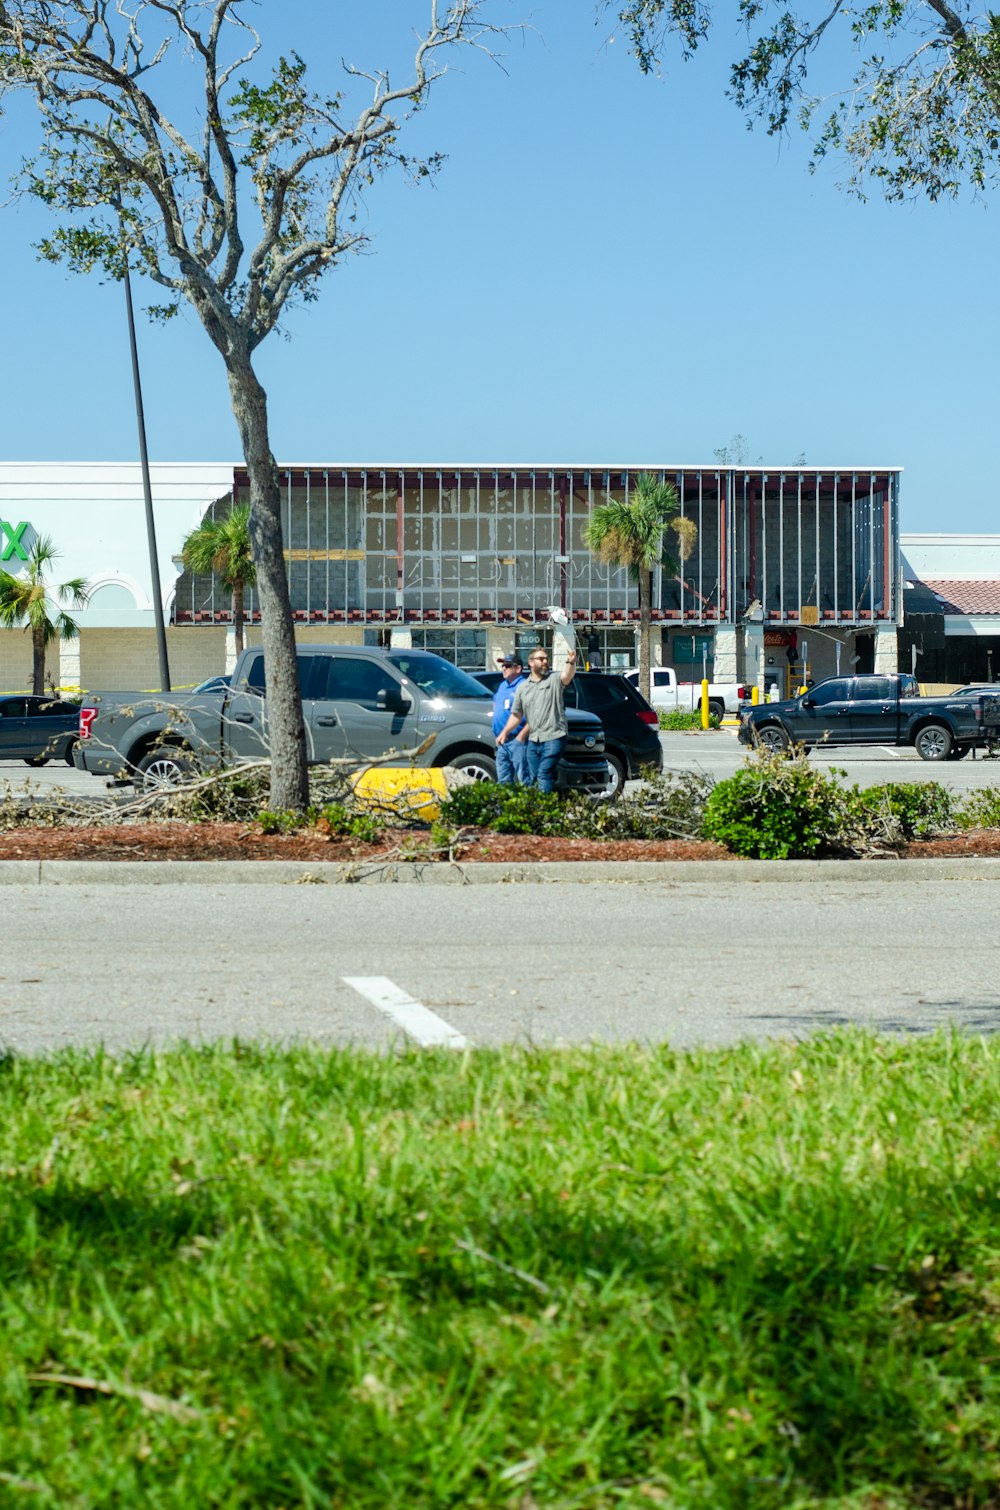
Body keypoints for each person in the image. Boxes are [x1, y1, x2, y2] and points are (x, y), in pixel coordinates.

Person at [497, 645, 577, 792]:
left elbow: (567, 675)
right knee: (533, 778)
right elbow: (516, 715)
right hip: (534, 740)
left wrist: (571, 663)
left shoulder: (553, 680)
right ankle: (542, 807)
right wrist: (504, 732)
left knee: (543, 774)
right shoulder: (523, 687)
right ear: (531, 662)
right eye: (541, 659)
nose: (545, 661)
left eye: (546, 658)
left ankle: (543, 812)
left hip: (554, 737)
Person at [492, 654, 528, 784]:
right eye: (503, 666)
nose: (504, 668)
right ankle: (505, 804)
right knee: (503, 781)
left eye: (507, 666)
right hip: (502, 741)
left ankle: (529, 804)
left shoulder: (524, 686)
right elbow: (495, 701)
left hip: (518, 740)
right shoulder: (503, 685)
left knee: (524, 779)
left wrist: (521, 737)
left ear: (518, 669)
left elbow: (531, 716)